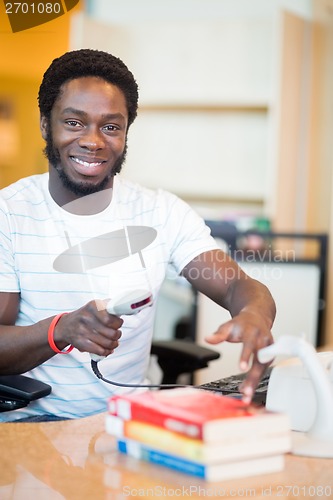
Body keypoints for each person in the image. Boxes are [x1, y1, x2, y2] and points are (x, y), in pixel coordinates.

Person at [0, 49, 275, 422]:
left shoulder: (161, 212)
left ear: (126, 133)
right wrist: (59, 329)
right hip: (32, 427)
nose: (93, 141)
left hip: (126, 423)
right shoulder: (9, 213)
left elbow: (235, 286)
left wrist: (254, 313)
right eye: (74, 123)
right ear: (46, 125)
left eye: (111, 127)